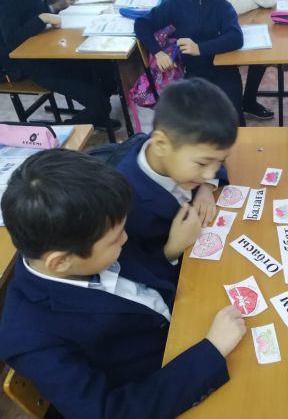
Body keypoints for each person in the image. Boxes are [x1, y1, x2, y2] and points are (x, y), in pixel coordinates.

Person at [0, 149, 246, 419]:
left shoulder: (91, 229)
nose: (126, 239)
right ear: (60, 262)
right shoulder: (31, 339)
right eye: (114, 240)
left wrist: (170, 252)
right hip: (171, 379)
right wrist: (211, 352)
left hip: (187, 319)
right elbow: (110, 412)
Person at [116, 78, 236, 283]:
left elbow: (214, 156)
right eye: (202, 163)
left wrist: (206, 188)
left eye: (218, 162)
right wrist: (172, 250)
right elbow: (134, 270)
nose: (210, 173)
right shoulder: (125, 203)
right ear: (160, 144)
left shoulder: (180, 144)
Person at [0, 0, 119, 130]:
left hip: (44, 51)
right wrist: (42, 18)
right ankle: (59, 131)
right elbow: (13, 40)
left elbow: (36, 14)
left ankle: (99, 112)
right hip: (20, 64)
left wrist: (47, 13)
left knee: (103, 69)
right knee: (98, 102)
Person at [135, 0, 245, 124]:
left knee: (232, 115)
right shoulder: (175, 4)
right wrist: (158, 53)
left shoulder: (223, 7)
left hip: (224, 72)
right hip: (192, 73)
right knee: (193, 120)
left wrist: (199, 48)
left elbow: (236, 38)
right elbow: (142, 25)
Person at [217, 0, 276, 120]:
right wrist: (256, 2)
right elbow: (230, 6)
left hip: (244, 21)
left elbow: (269, 0)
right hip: (219, 27)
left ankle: (249, 100)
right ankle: (232, 106)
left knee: (261, 50)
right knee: (229, 67)